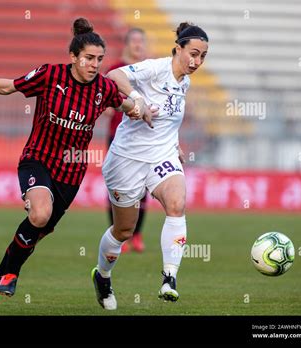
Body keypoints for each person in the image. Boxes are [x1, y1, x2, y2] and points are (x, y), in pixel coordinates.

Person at [0, 18, 151, 313]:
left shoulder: (103, 88)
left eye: (99, 59)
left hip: (71, 171)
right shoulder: (49, 75)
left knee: (39, 230)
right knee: (40, 215)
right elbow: (8, 87)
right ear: (73, 57)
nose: (94, 64)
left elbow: (127, 106)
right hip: (38, 158)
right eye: (89, 58)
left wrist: (142, 111)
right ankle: (5, 276)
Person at [92, 22, 209, 310]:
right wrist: (138, 100)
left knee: (177, 202)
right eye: (192, 53)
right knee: (123, 231)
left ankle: (169, 277)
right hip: (127, 159)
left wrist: (175, 143)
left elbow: (170, 118)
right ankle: (102, 275)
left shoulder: (185, 82)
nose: (196, 61)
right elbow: (114, 74)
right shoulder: (155, 68)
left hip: (161, 157)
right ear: (177, 49)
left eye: (203, 56)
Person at [105, 28, 148, 253]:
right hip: (118, 137)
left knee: (143, 187)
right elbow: (103, 101)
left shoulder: (148, 71)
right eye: (135, 41)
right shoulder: (115, 70)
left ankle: (137, 234)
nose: (138, 45)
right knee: (116, 187)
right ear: (127, 44)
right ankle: (117, 233)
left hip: (144, 138)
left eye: (142, 41)